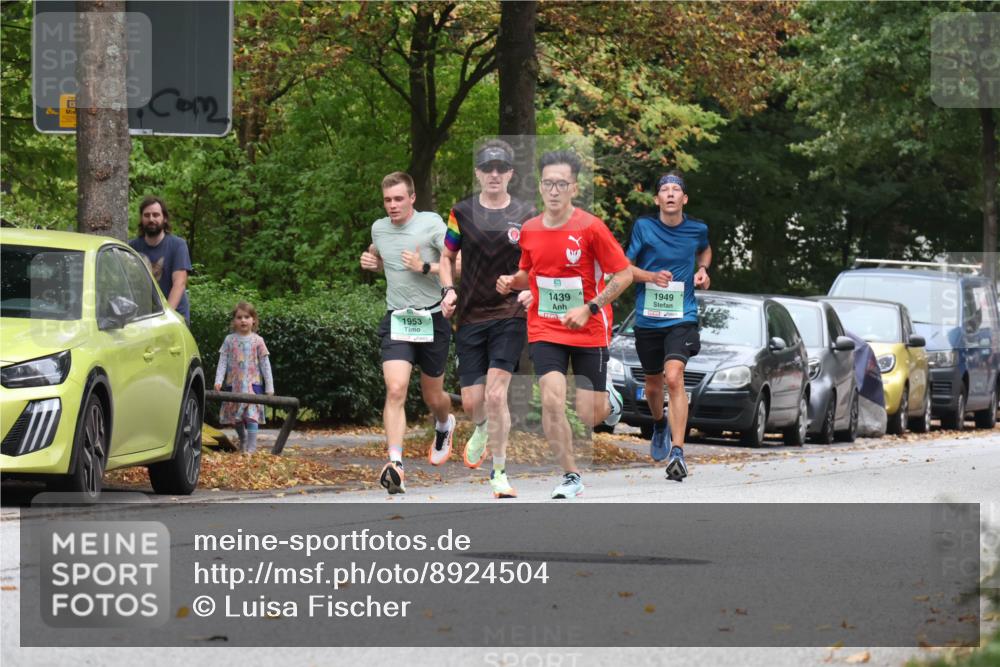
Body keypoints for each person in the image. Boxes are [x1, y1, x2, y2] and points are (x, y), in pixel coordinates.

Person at [496, 150, 632, 499]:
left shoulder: (590, 227)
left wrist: (590, 307)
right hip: (545, 327)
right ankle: (571, 475)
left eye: (561, 184)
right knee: (553, 400)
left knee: (590, 414)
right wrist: (513, 282)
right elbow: (530, 273)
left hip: (589, 328)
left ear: (573, 187)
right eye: (548, 184)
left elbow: (624, 274)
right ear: (540, 187)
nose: (554, 190)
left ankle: (610, 400)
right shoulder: (529, 229)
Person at [439, 140, 535, 499]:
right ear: (479, 173)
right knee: (471, 402)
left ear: (510, 173)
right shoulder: (461, 212)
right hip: (470, 315)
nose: (494, 174)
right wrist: (448, 290)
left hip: (509, 314)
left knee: (497, 396)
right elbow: (447, 256)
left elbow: (539, 261)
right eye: (487, 168)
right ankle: (480, 427)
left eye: (501, 168)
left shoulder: (527, 213)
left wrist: (531, 290)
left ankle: (499, 473)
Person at [360, 171, 456, 495]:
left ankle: (444, 424)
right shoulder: (379, 227)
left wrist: (423, 267)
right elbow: (379, 248)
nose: (392, 205)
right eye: (387, 200)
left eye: (399, 199)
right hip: (399, 318)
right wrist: (373, 261)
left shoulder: (431, 224)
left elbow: (455, 262)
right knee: (396, 388)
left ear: (412, 198)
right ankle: (395, 463)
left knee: (433, 396)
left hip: (432, 318)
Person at [626, 171, 711, 482]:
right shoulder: (644, 228)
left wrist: (702, 269)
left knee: (673, 377)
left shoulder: (697, 229)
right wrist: (651, 277)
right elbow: (625, 269)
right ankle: (659, 422)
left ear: (684, 199)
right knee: (652, 386)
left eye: (677, 189)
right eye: (665, 190)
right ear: (657, 199)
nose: (671, 193)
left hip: (682, 317)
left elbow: (704, 249)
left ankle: (678, 451)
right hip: (648, 319)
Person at [213, 301, 274, 454]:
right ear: (234, 321)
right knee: (237, 417)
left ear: (254, 320)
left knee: (252, 416)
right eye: (239, 317)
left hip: (252, 386)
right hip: (235, 386)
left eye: (247, 317)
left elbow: (265, 364)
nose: (243, 320)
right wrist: (218, 381)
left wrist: (269, 386)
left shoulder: (258, 341)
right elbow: (222, 361)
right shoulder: (229, 340)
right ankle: (243, 439)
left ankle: (251, 449)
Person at [129, 196, 193, 324]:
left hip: (174, 317)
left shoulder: (178, 245)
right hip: (143, 318)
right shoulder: (132, 248)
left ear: (164, 218)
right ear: (141, 219)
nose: (151, 219)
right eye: (147, 215)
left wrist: (166, 317)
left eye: (156, 215)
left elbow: (179, 283)